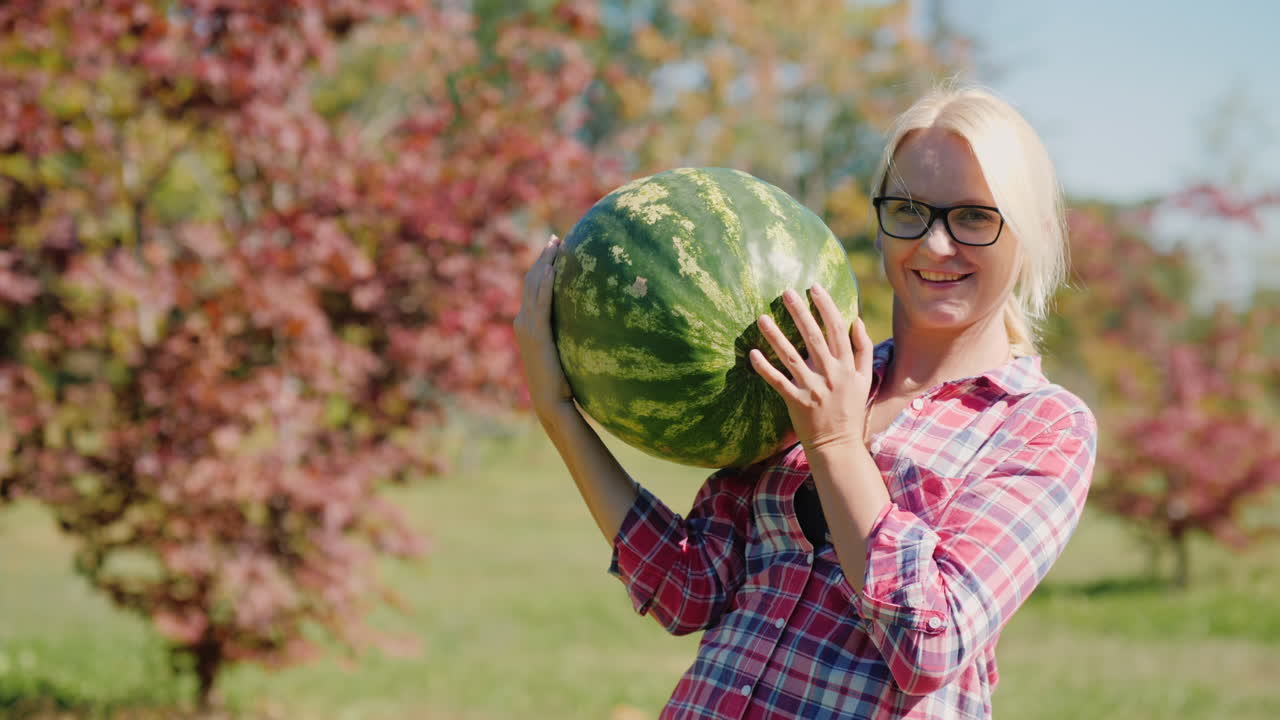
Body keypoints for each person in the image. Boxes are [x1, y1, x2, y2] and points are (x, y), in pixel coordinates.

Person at [513, 84, 1097, 720]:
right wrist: (560, 414)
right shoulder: (806, 369)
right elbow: (689, 588)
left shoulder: (1041, 426)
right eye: (908, 211)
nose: (934, 245)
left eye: (975, 217)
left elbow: (930, 646)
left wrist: (835, 444)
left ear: (1034, 232)